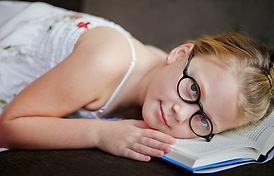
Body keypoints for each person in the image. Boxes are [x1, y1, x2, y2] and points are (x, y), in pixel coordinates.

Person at [0, 1, 273, 161]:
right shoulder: (105, 61)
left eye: (203, 120)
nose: (181, 113)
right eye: (193, 89)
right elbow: (8, 127)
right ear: (179, 53)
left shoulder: (165, 79)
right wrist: (99, 134)